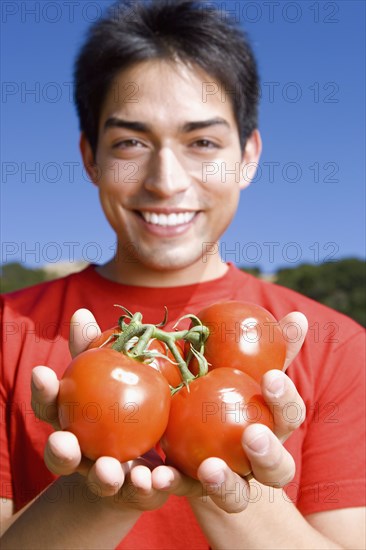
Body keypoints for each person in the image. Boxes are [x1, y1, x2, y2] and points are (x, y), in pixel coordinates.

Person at [1, 1, 365, 548]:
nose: (166, 181)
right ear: (90, 157)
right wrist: (93, 498)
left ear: (248, 156)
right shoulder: (8, 336)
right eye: (131, 142)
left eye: (202, 143)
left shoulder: (339, 348)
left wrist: (225, 483)